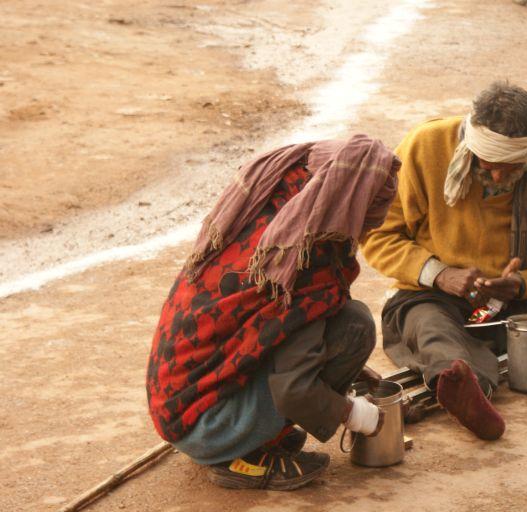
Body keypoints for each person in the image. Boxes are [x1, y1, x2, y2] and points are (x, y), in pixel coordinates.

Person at [146, 135, 399, 490]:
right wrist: (358, 415)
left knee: (339, 321)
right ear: (350, 204)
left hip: (183, 407)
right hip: (206, 425)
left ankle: (257, 436)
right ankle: (244, 457)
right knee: (354, 327)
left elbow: (261, 332)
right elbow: (294, 389)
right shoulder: (299, 261)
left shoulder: (271, 216)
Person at [361, 82, 527, 441]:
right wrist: (440, 275)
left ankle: (460, 377)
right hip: (432, 294)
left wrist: (522, 283)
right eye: (490, 162)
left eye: (512, 167)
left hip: (514, 304)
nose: (499, 176)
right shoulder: (426, 147)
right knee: (431, 325)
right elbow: (377, 235)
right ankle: (462, 383)